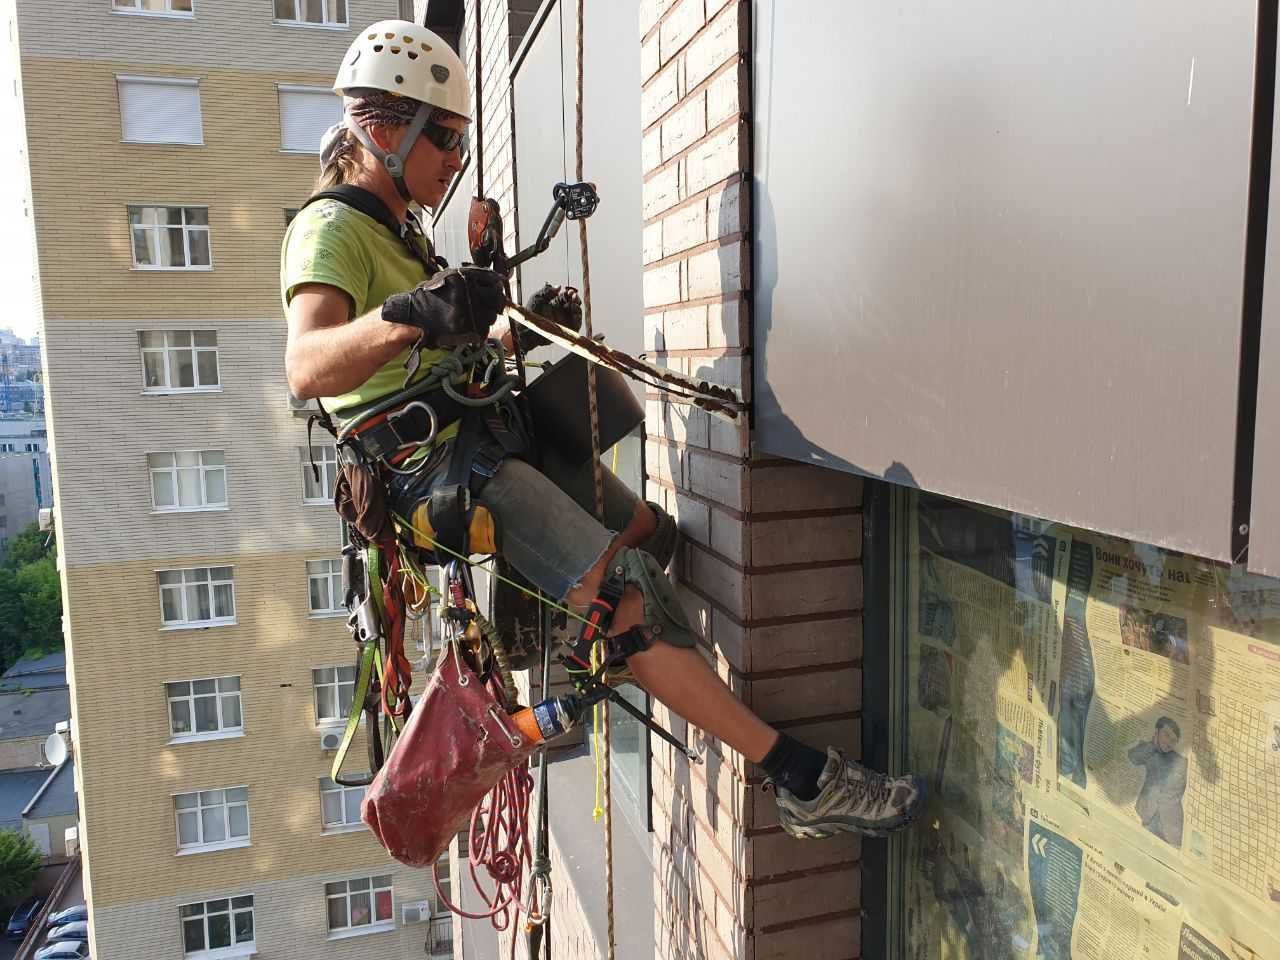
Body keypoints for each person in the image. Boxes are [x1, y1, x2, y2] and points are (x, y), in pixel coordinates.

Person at [281, 20, 924, 840]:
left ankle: (670, 660)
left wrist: (518, 333)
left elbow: (435, 357)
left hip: (488, 436)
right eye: (442, 138)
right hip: (447, 474)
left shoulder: (398, 230)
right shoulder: (331, 228)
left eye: (459, 142)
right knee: (625, 602)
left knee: (651, 536)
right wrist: (411, 315)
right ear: (382, 129)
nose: (453, 159)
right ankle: (798, 778)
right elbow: (307, 365)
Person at [1127, 716, 1187, 847]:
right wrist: (1152, 745)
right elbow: (1133, 758)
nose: (1169, 741)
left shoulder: (1182, 762)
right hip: (1148, 815)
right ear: (1157, 731)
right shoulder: (1147, 749)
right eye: (1166, 734)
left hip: (1171, 825)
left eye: (1173, 740)